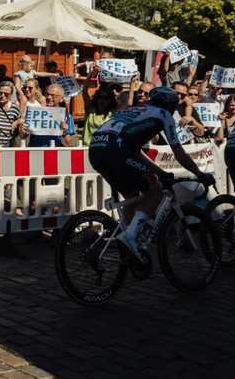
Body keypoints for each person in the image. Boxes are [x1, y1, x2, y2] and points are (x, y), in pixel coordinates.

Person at [89, 86, 214, 255]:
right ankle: (130, 237)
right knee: (155, 190)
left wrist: (160, 171)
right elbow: (179, 152)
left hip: (96, 148)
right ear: (170, 105)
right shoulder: (164, 115)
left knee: (132, 197)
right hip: (117, 150)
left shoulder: (133, 110)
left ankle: (125, 240)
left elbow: (136, 151)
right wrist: (199, 174)